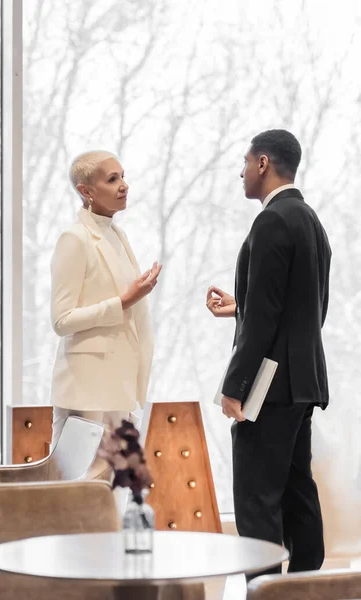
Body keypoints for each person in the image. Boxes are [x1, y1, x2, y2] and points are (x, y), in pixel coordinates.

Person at [206, 129, 331, 576]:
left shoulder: (272, 220)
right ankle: (304, 588)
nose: (240, 172)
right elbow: (308, 308)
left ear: (263, 163)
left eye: (244, 162)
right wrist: (239, 307)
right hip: (303, 382)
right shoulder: (310, 221)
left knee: (257, 500)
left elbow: (263, 321)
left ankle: (262, 590)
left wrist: (234, 386)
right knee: (298, 491)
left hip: (269, 385)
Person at [50, 150, 162, 455]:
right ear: (86, 191)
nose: (123, 185)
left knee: (114, 493)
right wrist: (124, 301)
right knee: (77, 493)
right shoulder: (75, 239)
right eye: (112, 179)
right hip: (86, 392)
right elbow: (62, 320)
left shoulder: (116, 233)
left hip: (118, 389)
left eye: (123, 176)